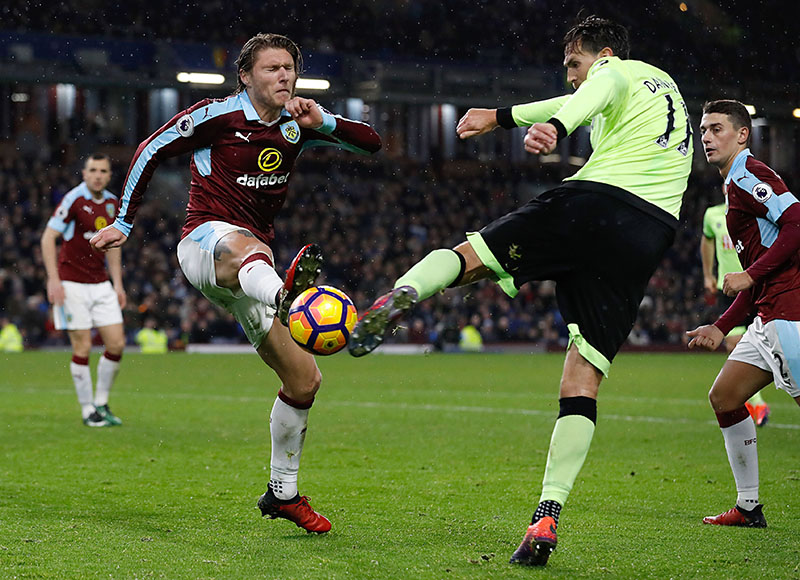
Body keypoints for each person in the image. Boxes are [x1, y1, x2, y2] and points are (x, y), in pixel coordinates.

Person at [349, 15, 692, 566]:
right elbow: (580, 95)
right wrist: (501, 117)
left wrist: (557, 126)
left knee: (473, 258)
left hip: (597, 201)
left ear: (602, 52)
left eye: (574, 63)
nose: (572, 77)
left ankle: (403, 293)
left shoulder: (614, 71)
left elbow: (587, 92)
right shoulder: (661, 91)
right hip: (649, 233)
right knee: (584, 374)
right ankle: (546, 518)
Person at [90, 33, 381, 533]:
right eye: (271, 68)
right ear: (245, 76)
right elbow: (150, 148)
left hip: (252, 277)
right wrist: (125, 221)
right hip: (207, 245)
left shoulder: (297, 123)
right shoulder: (217, 116)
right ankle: (288, 298)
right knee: (251, 247)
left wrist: (324, 122)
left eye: (289, 67)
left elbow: (373, 143)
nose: (284, 76)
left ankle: (282, 493)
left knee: (304, 380)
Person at [687, 99, 800, 528]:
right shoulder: (733, 183)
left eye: (717, 129)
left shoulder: (750, 175)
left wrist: (750, 273)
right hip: (766, 315)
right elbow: (761, 273)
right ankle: (749, 507)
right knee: (726, 397)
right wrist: (720, 327)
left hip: (790, 316)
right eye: (703, 131)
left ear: (742, 134)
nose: (707, 138)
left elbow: (797, 221)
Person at [41, 154, 126, 428]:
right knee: (83, 346)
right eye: (93, 170)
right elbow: (48, 237)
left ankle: (101, 403)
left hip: (100, 284)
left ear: (109, 175)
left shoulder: (114, 203)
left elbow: (113, 247)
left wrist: (118, 283)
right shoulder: (74, 200)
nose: (98, 175)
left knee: (116, 344)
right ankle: (88, 409)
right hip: (72, 283)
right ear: (84, 173)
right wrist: (53, 280)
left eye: (103, 170)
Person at [701, 200, 771, 425]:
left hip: (756, 284)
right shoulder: (713, 215)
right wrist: (708, 275)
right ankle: (757, 404)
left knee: (770, 341)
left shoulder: (755, 212)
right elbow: (707, 242)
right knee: (733, 342)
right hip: (729, 288)